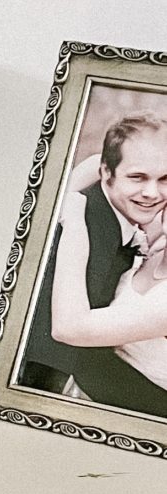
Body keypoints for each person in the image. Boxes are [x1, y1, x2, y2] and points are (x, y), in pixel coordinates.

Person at [26, 113, 167, 415]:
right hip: (92, 379)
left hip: (140, 408)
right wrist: (65, 195)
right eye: (142, 177)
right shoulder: (157, 239)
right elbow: (96, 162)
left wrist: (73, 222)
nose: (154, 192)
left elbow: (68, 328)